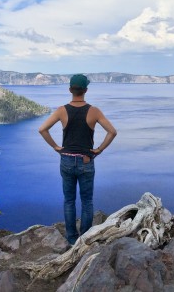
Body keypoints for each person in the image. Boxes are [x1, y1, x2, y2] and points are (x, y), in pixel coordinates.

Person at [38, 74, 117, 245]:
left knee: (69, 200)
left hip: (66, 160)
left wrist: (56, 147)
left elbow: (42, 129)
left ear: (70, 90)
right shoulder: (94, 111)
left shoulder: (61, 110)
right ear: (86, 90)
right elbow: (112, 132)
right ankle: (86, 239)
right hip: (86, 160)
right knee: (87, 201)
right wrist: (99, 150)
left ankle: (72, 239)